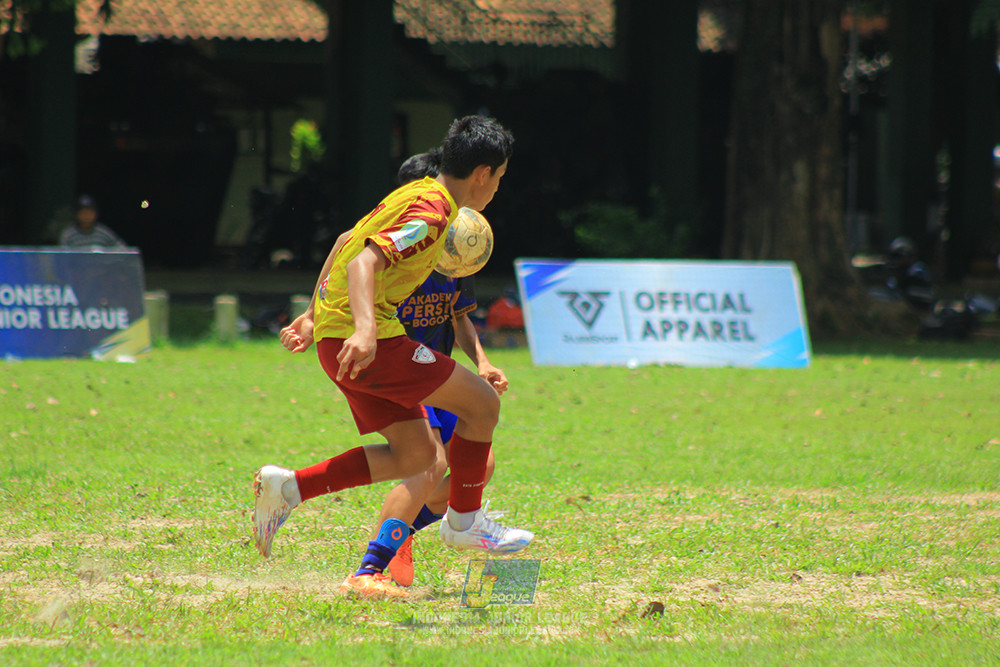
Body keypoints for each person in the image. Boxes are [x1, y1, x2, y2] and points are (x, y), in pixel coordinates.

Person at [251, 115, 532, 588]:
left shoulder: (415, 192)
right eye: (500, 178)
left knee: (417, 455)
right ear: (483, 173)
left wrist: (315, 316)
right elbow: (364, 261)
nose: (497, 190)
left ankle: (291, 487)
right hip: (370, 342)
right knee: (483, 405)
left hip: (344, 340)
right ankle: (465, 523)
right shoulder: (433, 212)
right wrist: (362, 330)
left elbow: (347, 243)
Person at [329, 148, 507, 598]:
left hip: (441, 372)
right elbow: (351, 250)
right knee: (430, 466)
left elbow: (460, 317)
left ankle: (404, 530)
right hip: (406, 371)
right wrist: (331, 321)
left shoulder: (457, 251)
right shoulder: (409, 249)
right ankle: (370, 567)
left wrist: (483, 362)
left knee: (479, 466)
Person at [59, 195, 126, 248]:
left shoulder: (104, 233)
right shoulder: (68, 235)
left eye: (89, 212)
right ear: (77, 214)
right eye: (83, 213)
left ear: (95, 214)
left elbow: (123, 251)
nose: (86, 216)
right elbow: (64, 258)